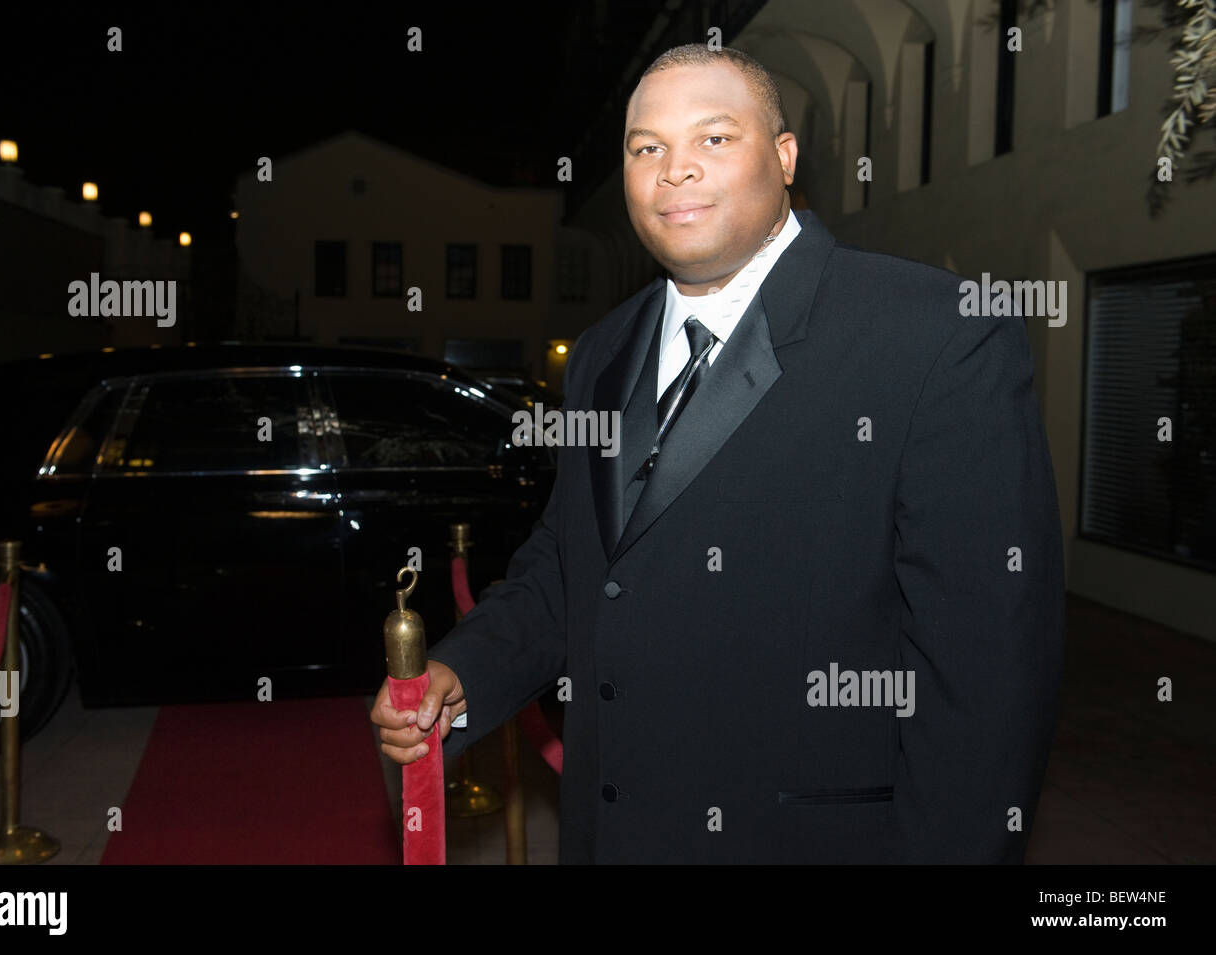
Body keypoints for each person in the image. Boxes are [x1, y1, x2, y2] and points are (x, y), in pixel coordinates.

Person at [371, 43, 1065, 864]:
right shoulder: (600, 351)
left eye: (714, 138)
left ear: (784, 156)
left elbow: (985, 678)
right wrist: (465, 672)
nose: (674, 170)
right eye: (647, 147)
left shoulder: (935, 335)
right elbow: (571, 565)